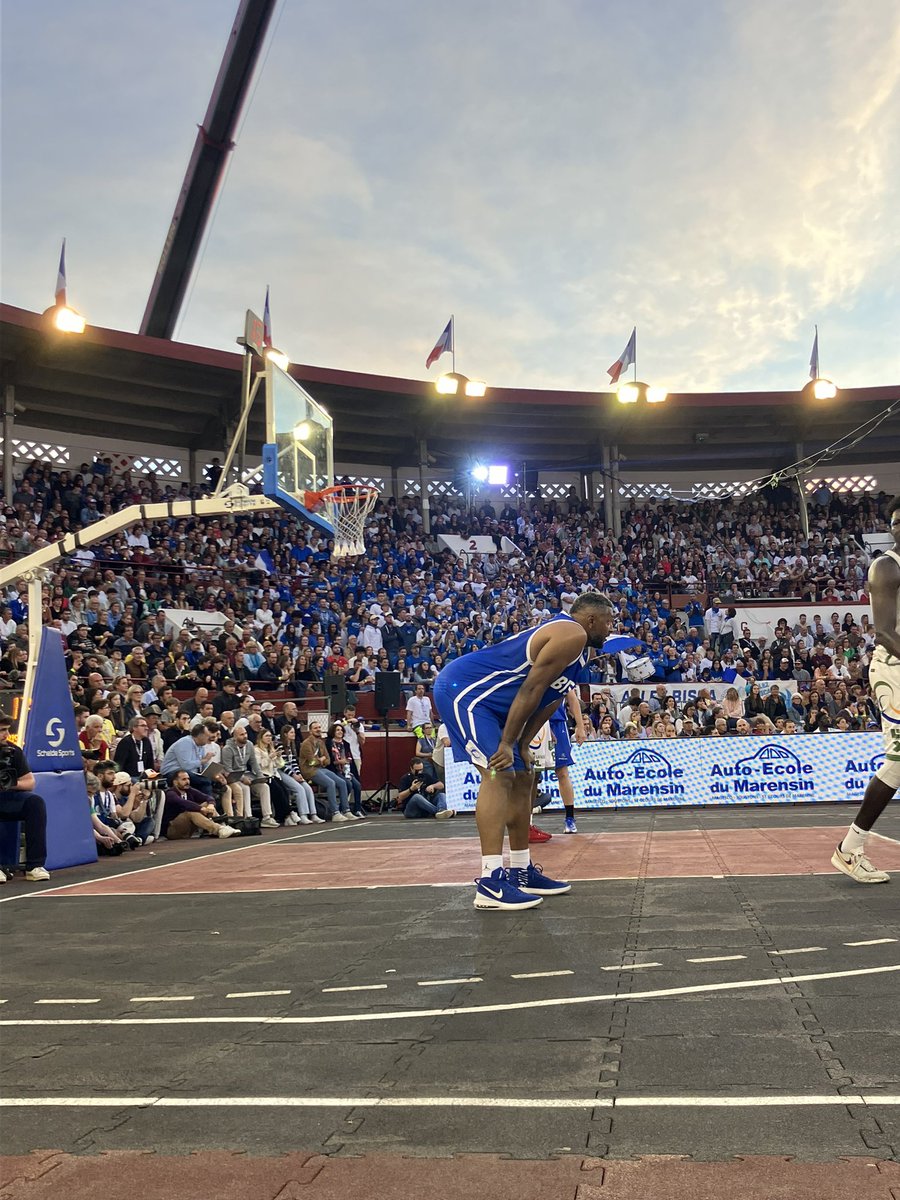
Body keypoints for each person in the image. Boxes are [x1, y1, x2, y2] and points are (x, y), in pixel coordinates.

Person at [433, 591, 614, 911]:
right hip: (465, 692)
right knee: (499, 772)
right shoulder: (571, 633)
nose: (611, 629)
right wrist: (506, 744)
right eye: (608, 622)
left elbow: (551, 700)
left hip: (495, 703)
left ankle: (520, 871)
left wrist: (522, 743)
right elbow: (531, 689)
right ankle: (490, 882)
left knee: (525, 775)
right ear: (590, 619)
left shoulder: (582, 651)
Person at [833, 495, 900, 884]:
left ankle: (850, 847)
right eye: (896, 522)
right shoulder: (886, 567)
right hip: (894, 669)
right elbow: (886, 633)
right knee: (899, 761)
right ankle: (850, 848)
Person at [0, 715, 50, 882]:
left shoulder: (13, 751)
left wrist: (9, 784)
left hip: (6, 797)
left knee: (35, 803)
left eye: (7, 730)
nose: (6, 735)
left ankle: (35, 866)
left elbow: (30, 782)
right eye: (2, 730)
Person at [220, 724, 278, 827]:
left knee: (264, 787)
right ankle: (248, 817)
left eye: (245, 733)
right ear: (235, 737)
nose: (245, 736)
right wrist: (242, 778)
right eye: (241, 734)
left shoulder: (249, 744)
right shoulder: (227, 749)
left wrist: (260, 776)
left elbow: (254, 762)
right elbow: (228, 769)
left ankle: (267, 817)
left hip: (247, 774)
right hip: (234, 777)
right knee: (245, 788)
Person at [161, 769, 237, 840]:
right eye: (184, 779)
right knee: (191, 812)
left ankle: (222, 825)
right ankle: (219, 829)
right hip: (172, 830)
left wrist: (211, 805)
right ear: (175, 782)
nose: (187, 781)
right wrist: (200, 809)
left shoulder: (189, 790)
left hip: (188, 828)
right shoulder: (170, 793)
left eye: (188, 779)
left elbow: (208, 797)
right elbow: (183, 803)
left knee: (206, 804)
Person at [298, 721, 351, 821]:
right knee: (330, 783)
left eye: (319, 727)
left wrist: (320, 760)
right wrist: (321, 760)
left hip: (321, 768)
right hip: (310, 770)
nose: (318, 729)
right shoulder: (306, 744)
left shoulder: (321, 742)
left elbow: (328, 760)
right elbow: (311, 762)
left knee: (342, 782)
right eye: (315, 728)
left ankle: (346, 810)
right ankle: (335, 813)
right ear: (310, 731)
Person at [550, 686, 586, 834]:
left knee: (562, 772)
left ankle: (570, 818)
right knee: (531, 775)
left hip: (557, 723)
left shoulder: (560, 675)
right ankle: (528, 822)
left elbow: (572, 698)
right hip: (535, 724)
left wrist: (580, 726)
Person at [160, 724, 216, 796]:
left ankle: (207, 801)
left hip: (188, 772)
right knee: (205, 781)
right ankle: (209, 802)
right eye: (207, 736)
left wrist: (214, 774)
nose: (209, 738)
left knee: (213, 781)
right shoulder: (185, 742)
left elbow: (202, 765)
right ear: (200, 735)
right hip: (171, 772)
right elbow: (186, 766)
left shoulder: (201, 746)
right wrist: (204, 760)